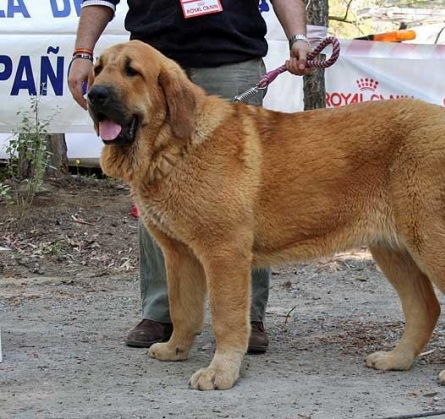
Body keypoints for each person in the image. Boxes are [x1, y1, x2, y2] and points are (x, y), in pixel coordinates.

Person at [68, 0, 311, 354]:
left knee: (240, 199)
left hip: (231, 58)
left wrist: (298, 37)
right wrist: (82, 52)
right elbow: (99, 1)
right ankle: (163, 315)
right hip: (150, 63)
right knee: (153, 187)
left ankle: (250, 319)